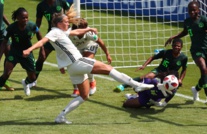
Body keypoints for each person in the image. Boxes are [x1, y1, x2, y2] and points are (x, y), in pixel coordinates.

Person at [22, 5, 154, 124]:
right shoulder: (54, 32)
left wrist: (88, 29)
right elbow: (42, 41)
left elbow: (75, 32)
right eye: (66, 22)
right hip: (77, 62)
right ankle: (137, 86)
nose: (68, 23)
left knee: (84, 96)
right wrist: (29, 50)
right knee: (108, 69)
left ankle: (61, 116)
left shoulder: (61, 32)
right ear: (58, 23)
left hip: (72, 69)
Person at [0, 7, 43, 102]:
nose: (26, 19)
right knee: (6, 73)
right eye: (23, 18)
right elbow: (4, 42)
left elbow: (39, 34)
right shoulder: (11, 28)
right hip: (14, 52)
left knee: (33, 78)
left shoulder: (31, 25)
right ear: (17, 18)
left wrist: (42, 49)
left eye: (27, 17)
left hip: (27, 53)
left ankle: (25, 83)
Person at [165, 1, 207, 102]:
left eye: (194, 10)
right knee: (204, 69)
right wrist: (173, 37)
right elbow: (185, 32)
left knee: (205, 74)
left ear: (198, 10)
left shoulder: (204, 20)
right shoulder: (187, 22)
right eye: (190, 10)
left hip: (206, 48)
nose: (192, 12)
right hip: (196, 50)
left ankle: (196, 89)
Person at [114, 38, 188, 92]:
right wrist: (144, 65)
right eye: (175, 45)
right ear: (172, 46)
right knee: (146, 77)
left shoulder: (183, 58)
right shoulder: (166, 52)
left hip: (170, 76)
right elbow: (152, 57)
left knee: (162, 89)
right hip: (160, 70)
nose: (176, 47)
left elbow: (184, 69)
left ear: (181, 47)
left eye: (178, 46)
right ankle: (124, 85)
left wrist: (180, 79)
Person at [69, 18, 112, 97]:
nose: (86, 30)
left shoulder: (89, 33)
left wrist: (107, 54)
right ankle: (76, 88)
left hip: (89, 46)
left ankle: (92, 82)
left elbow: (100, 41)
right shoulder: (69, 34)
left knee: (86, 62)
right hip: (76, 49)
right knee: (73, 66)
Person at [34, 0, 70, 84]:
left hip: (64, 35)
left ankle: (77, 87)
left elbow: (71, 15)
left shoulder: (62, 2)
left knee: (71, 60)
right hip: (52, 34)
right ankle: (33, 80)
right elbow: (38, 21)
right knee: (41, 57)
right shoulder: (41, 6)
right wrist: (34, 31)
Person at [0, 0, 14, 91]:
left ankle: (4, 80)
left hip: (2, 32)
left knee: (9, 55)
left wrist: (10, 25)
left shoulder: (0, 0)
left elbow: (0, 13)